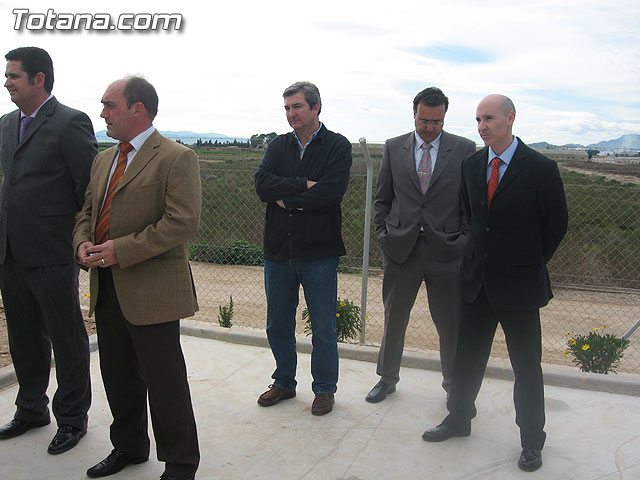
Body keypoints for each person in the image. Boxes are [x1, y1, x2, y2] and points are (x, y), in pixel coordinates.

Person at [421, 94, 568, 473]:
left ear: (510, 118)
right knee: (467, 358)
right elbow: (472, 218)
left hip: (520, 286)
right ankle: (458, 419)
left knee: (526, 367)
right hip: (476, 282)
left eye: (488, 118)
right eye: (477, 119)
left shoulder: (540, 168)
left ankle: (532, 440)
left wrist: (528, 262)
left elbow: (555, 225)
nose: (482, 126)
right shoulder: (472, 166)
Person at [73, 76, 201, 480]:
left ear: (138, 109)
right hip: (106, 288)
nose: (102, 113)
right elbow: (87, 214)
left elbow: (181, 222)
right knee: (118, 376)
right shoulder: (102, 159)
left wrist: (120, 249)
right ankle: (128, 446)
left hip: (154, 292)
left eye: (109, 105)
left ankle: (181, 463)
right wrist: (81, 244)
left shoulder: (176, 157)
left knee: (166, 384)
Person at [0, 46, 95, 454]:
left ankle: (72, 419)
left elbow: (87, 189)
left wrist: (77, 241)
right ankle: (31, 409)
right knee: (22, 336)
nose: (7, 83)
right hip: (10, 251)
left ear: (39, 79)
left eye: (13, 76)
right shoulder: (5, 124)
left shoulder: (70, 122)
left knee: (66, 337)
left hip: (53, 251)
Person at [366, 87, 476, 403]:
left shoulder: (465, 149)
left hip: (447, 253)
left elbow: (471, 204)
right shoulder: (393, 147)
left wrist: (463, 241)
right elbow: (383, 199)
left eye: (437, 122)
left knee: (450, 324)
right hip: (401, 250)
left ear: (444, 117)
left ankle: (454, 386)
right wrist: (384, 236)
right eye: (424, 120)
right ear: (414, 114)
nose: (429, 128)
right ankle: (387, 379)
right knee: (394, 318)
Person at [254, 81, 352, 416]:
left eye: (297, 107)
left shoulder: (337, 145)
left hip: (319, 253)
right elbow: (262, 185)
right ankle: (283, 382)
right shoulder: (279, 145)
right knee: (277, 324)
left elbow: (331, 192)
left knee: (323, 325)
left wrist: (285, 200)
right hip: (279, 250)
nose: (291, 114)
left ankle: (324, 389)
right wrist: (301, 185)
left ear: (315, 108)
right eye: (287, 108)